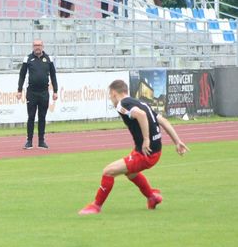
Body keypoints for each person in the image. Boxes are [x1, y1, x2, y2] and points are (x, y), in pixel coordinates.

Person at [79, 79, 189, 215]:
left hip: (146, 153)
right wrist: (177, 141)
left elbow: (141, 115)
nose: (110, 99)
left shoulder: (122, 104)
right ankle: (152, 197)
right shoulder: (141, 103)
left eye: (110, 95)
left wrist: (146, 139)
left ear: (114, 93)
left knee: (108, 171)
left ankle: (96, 206)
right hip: (155, 151)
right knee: (131, 173)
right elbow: (163, 120)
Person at [16, 39, 58, 149]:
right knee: (31, 117)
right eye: (35, 45)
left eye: (39, 45)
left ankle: (41, 141)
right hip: (32, 92)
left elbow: (53, 76)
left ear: (43, 46)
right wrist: (19, 90)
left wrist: (55, 91)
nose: (37, 47)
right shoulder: (28, 59)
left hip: (44, 92)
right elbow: (22, 75)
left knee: (42, 117)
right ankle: (29, 141)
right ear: (32, 47)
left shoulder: (48, 59)